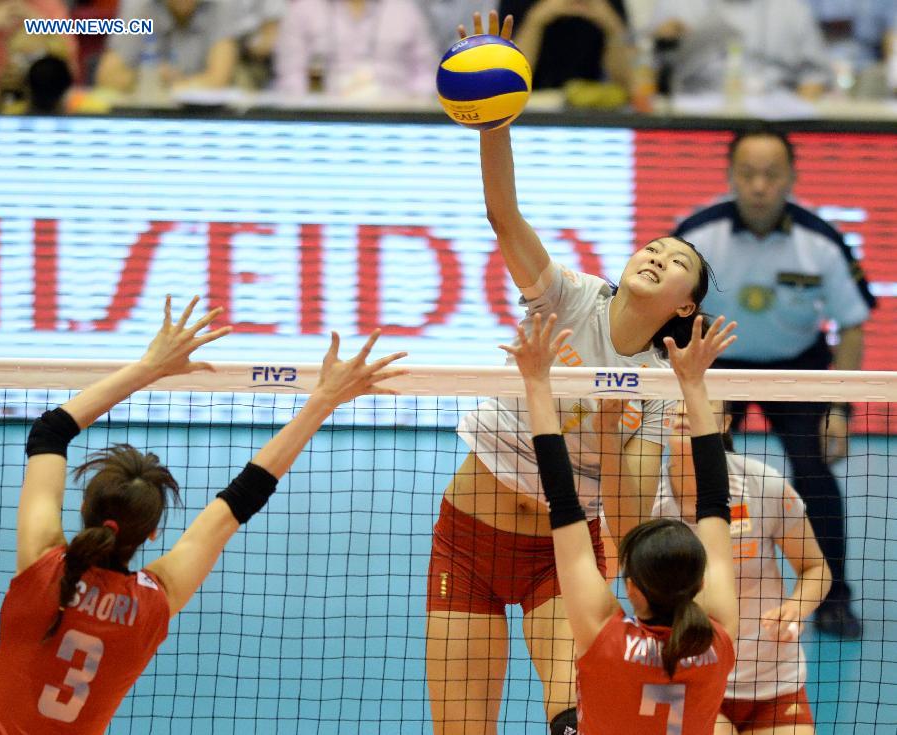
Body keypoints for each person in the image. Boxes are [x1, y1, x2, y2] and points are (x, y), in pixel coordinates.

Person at [425, 13, 716, 734]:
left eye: (675, 259)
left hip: (564, 556)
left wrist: (617, 434)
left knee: (574, 722)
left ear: (685, 303)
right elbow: (503, 216)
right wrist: (495, 118)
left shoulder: (657, 383)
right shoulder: (570, 294)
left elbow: (622, 521)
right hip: (469, 535)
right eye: (651, 244)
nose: (655, 254)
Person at [0, 296, 406, 734]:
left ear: (85, 508)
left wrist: (150, 366)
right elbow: (238, 501)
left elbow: (50, 432)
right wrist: (322, 401)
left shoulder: (43, 564)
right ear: (153, 533)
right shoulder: (154, 601)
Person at [673, 125, 876, 638]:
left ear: (792, 177)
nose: (760, 185)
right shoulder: (695, 234)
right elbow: (666, 315)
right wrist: (689, 388)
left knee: (813, 472)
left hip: (797, 366)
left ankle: (834, 597)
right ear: (730, 175)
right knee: (700, 475)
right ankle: (688, 592)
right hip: (717, 362)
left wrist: (840, 409)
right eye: (748, 173)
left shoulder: (822, 242)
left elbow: (852, 324)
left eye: (771, 174)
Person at [507, 311, 738, 734]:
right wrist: (693, 384)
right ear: (702, 583)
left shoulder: (605, 638)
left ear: (631, 587)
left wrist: (537, 381)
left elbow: (560, 499)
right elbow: (717, 502)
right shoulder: (717, 638)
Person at [655, 401, 832, 734]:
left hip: (773, 680)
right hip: (686, 680)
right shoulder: (644, 494)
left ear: (724, 423)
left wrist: (796, 607)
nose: (683, 410)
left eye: (696, 403)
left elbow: (815, 568)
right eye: (673, 404)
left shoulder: (762, 484)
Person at [648, 0, 830, 98]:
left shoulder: (792, 9)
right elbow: (648, 73)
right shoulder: (676, 4)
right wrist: (663, 44)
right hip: (696, 118)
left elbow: (814, 78)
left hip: (773, 121)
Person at [273, 0, 437, 99]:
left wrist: (413, 102)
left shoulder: (404, 10)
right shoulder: (303, 11)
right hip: (324, 117)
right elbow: (290, 76)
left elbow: (426, 72)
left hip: (394, 115)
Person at [95, 0, 238, 95]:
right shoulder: (139, 6)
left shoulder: (221, 5)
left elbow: (219, 79)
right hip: (146, 115)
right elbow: (106, 76)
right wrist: (149, 76)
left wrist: (175, 87)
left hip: (206, 117)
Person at [499, 0, 630, 90]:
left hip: (589, 107)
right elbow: (509, 81)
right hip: (529, 104)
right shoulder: (516, 3)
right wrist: (536, 20)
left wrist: (611, 26)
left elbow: (627, 83)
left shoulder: (607, 4)